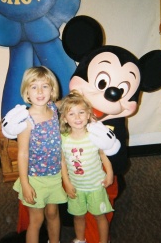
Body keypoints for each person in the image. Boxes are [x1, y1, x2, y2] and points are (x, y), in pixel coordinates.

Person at [12, 66, 67, 243]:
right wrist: (25, 184)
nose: (40, 91)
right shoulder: (26, 120)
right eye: (34, 86)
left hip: (55, 175)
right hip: (35, 178)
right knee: (36, 220)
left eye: (45, 86)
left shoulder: (53, 109)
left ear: (52, 90)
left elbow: (64, 102)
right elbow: (22, 154)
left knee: (52, 213)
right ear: (26, 92)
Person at [59, 91, 114, 243]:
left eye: (81, 112)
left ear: (88, 114)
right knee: (78, 216)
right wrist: (67, 183)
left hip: (96, 185)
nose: (77, 117)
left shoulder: (94, 135)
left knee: (100, 216)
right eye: (71, 114)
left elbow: (103, 156)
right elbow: (62, 162)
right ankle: (80, 239)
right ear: (64, 118)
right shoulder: (63, 139)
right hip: (77, 187)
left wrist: (109, 173)